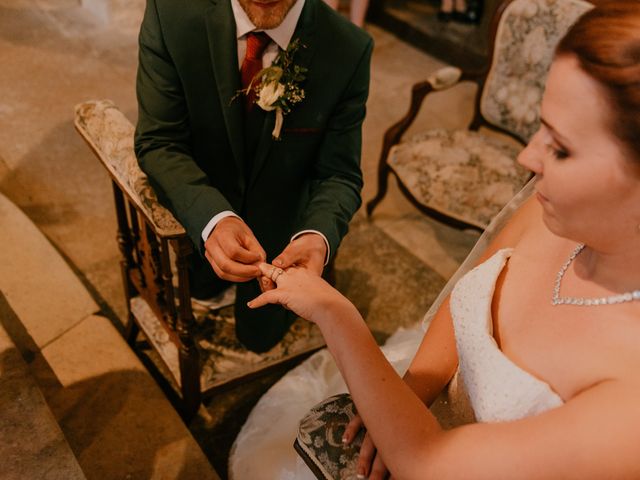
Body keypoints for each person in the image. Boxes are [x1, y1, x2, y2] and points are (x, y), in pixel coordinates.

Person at [232, 1, 640, 477]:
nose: (528, 157)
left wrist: (336, 313)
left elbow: (429, 466)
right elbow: (471, 292)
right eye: (539, 130)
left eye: (562, 148)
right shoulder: (549, 212)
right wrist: (407, 399)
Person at [134, 0, 373, 352]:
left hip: (282, 235)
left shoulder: (348, 48)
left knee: (260, 338)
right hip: (199, 205)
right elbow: (158, 141)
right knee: (199, 288)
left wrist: (317, 236)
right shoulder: (171, 13)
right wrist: (212, 218)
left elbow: (340, 174)